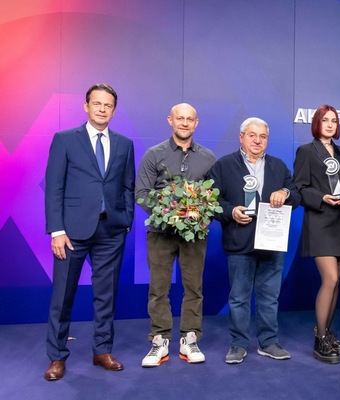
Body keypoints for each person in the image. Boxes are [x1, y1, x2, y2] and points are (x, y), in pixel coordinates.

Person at [44, 83, 135, 381]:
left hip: (111, 232)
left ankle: (102, 351)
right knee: (63, 296)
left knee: (106, 296)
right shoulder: (65, 139)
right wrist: (56, 230)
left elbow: (127, 186)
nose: (101, 109)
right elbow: (54, 188)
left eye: (107, 105)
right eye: (96, 103)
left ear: (113, 109)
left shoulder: (124, 144)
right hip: (71, 233)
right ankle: (57, 357)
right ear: (86, 106)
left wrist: (127, 220)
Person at [208, 117, 300, 364]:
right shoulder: (224, 165)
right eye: (252, 135)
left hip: (272, 243)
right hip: (239, 242)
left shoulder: (278, 167)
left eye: (263, 136)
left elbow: (297, 195)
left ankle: (269, 342)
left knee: (269, 297)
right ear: (241, 137)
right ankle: (238, 345)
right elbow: (212, 201)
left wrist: (285, 192)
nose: (257, 140)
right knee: (238, 297)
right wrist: (231, 212)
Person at [135, 103, 216, 367]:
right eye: (179, 118)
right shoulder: (153, 154)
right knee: (159, 288)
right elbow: (141, 193)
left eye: (189, 119)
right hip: (160, 232)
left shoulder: (207, 157)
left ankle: (189, 338)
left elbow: (215, 198)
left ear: (196, 123)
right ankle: (159, 340)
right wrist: (169, 214)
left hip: (195, 234)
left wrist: (198, 215)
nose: (184, 123)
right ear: (170, 120)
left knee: (194, 287)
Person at [293, 104, 340, 365]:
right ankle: (320, 339)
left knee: (337, 281)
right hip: (320, 221)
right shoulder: (306, 151)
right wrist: (322, 197)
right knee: (329, 279)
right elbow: (299, 187)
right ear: (316, 123)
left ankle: (328, 332)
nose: (330, 124)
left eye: (333, 120)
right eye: (325, 120)